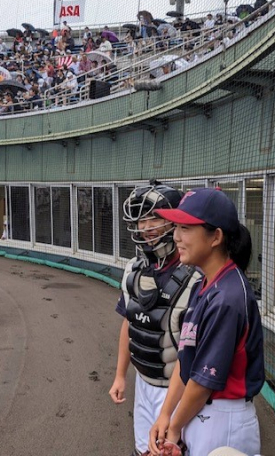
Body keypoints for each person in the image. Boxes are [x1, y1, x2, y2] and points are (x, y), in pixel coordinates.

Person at [149, 188, 265, 456]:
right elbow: (186, 359)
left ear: (216, 237)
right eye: (176, 226)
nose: (176, 236)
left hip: (225, 421)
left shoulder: (228, 296)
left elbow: (203, 382)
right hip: (200, 413)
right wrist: (166, 415)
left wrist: (175, 427)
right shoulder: (203, 283)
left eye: (186, 228)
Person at [109, 182, 201, 456]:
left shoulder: (195, 279)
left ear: (174, 221)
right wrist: (119, 376)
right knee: (142, 451)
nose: (146, 227)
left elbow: (191, 355)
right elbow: (130, 323)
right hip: (143, 383)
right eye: (141, 220)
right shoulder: (133, 271)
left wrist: (170, 411)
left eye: (155, 219)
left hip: (177, 391)